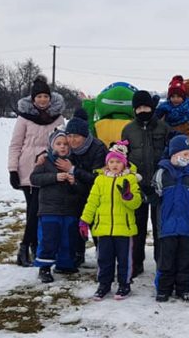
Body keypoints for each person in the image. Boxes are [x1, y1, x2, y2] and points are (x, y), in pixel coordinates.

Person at [7, 76, 65, 267]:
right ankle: (25, 247)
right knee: (33, 210)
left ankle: (33, 245)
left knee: (38, 211)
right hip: (27, 169)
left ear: (50, 98)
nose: (42, 100)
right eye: (39, 97)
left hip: (48, 169)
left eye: (45, 96)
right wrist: (13, 170)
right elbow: (15, 145)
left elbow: (61, 142)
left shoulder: (58, 118)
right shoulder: (24, 118)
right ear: (33, 99)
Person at [80, 140, 142, 300]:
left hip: (124, 229)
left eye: (118, 162)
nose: (115, 165)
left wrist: (128, 196)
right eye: (112, 162)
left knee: (124, 259)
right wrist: (85, 220)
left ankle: (124, 284)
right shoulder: (100, 180)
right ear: (107, 163)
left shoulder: (130, 180)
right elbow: (92, 202)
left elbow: (136, 203)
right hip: (104, 228)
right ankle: (104, 284)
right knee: (104, 259)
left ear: (124, 163)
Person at [122, 90, 171, 278]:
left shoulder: (163, 128)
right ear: (134, 110)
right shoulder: (128, 129)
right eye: (139, 108)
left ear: (152, 107)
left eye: (146, 107)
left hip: (159, 186)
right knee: (137, 226)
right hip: (137, 185)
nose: (143, 111)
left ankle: (162, 263)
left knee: (160, 227)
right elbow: (124, 155)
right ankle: (136, 263)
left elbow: (169, 153)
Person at [152, 135, 189, 302]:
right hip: (167, 227)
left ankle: (183, 288)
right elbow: (156, 195)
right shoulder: (162, 173)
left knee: (185, 260)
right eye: (184, 154)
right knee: (166, 260)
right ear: (174, 154)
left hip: (186, 227)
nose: (187, 158)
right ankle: (164, 289)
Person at [29, 130, 82, 283]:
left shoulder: (73, 163)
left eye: (65, 144)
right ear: (52, 146)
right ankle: (44, 267)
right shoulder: (45, 161)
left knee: (67, 238)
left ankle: (64, 264)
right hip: (49, 209)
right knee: (49, 238)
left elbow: (81, 187)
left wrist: (74, 182)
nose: (62, 147)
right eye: (58, 144)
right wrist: (54, 177)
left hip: (69, 209)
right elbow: (34, 178)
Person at [60, 108, 108, 267]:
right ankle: (78, 253)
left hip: (96, 194)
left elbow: (97, 178)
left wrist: (73, 170)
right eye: (69, 136)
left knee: (96, 225)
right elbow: (53, 153)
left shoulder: (98, 148)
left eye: (76, 136)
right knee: (76, 223)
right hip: (76, 192)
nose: (72, 140)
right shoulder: (68, 149)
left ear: (85, 136)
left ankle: (103, 256)